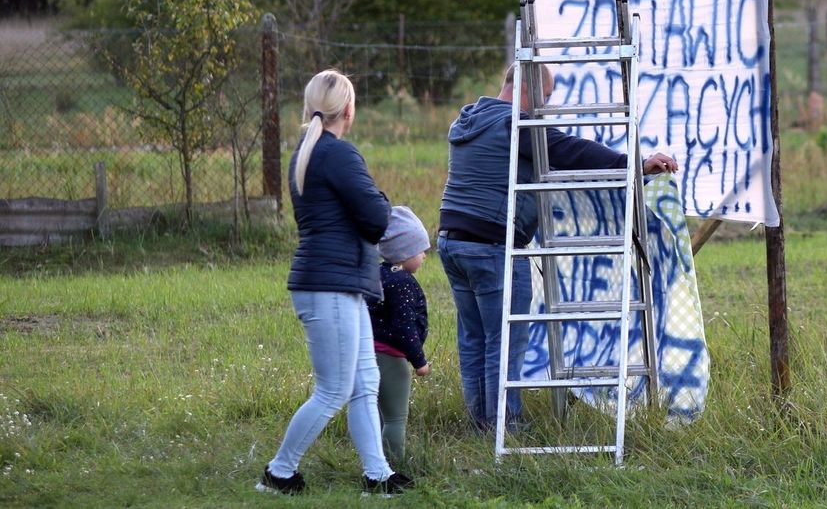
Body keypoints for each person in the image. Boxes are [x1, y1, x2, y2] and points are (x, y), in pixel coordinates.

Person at [437, 64, 678, 430]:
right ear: (528, 88)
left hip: (452, 241)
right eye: (546, 97)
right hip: (493, 245)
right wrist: (636, 165)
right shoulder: (515, 126)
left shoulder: (469, 121)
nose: (546, 107)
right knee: (504, 340)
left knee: (474, 339)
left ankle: (480, 424)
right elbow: (569, 151)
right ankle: (504, 425)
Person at [257, 69, 413, 497]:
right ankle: (279, 472)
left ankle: (377, 475)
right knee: (334, 390)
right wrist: (383, 200)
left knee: (364, 383)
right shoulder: (338, 154)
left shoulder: (307, 153)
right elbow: (377, 218)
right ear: (349, 109)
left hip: (335, 283)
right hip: (332, 286)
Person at [366, 205, 432, 465]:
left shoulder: (378, 274)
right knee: (395, 418)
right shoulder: (402, 282)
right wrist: (419, 362)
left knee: (376, 414)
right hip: (392, 359)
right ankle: (394, 465)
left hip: (368, 353)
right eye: (420, 250)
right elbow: (404, 327)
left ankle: (373, 462)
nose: (424, 255)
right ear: (404, 253)